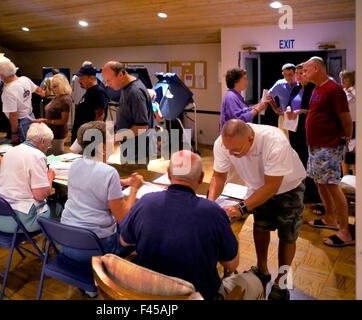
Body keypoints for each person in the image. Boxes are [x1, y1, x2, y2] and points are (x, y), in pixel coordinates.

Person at [120, 150, 265, 300]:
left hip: (148, 294)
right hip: (197, 295)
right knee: (255, 282)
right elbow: (232, 265)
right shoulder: (214, 213)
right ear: (202, 178)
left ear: (169, 174)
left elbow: (125, 241)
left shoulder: (145, 201)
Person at [208, 119, 306, 300]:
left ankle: (282, 281)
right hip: (257, 186)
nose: (230, 153)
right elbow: (218, 177)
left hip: (288, 187)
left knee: (287, 235)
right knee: (260, 227)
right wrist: (209, 205)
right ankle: (262, 270)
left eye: (236, 150)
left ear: (251, 139)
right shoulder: (223, 143)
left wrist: (241, 207)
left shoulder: (274, 140)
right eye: (227, 148)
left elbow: (272, 186)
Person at [60, 121, 143, 265]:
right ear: (103, 147)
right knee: (141, 231)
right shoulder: (109, 173)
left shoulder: (75, 165)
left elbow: (91, 181)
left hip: (67, 241)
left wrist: (120, 182)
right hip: (96, 248)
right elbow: (124, 218)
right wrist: (134, 188)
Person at [303, 57, 354, 248]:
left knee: (332, 185)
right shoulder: (318, 88)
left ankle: (345, 231)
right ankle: (330, 218)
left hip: (328, 146)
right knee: (319, 182)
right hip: (315, 146)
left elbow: (346, 119)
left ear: (316, 68)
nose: (304, 74)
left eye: (307, 70)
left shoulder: (334, 89)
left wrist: (344, 140)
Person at [0, 123, 54, 233]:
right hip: (18, 221)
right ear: (42, 141)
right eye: (48, 144)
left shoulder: (10, 151)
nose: (47, 148)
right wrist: (49, 176)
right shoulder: (38, 156)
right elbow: (40, 195)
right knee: (58, 207)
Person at [102, 61, 155, 165]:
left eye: (109, 81)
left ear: (121, 74)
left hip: (137, 152)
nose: (107, 85)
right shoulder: (126, 88)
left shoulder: (135, 92)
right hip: (130, 148)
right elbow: (128, 115)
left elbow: (142, 127)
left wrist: (114, 138)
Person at [285, 63, 319, 203]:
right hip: (295, 128)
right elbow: (290, 103)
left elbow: (316, 110)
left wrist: (301, 111)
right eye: (297, 74)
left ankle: (311, 193)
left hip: (307, 128)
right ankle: (298, 188)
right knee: (296, 158)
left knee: (307, 159)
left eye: (301, 73)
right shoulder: (296, 88)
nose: (298, 76)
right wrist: (288, 109)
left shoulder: (314, 89)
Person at [0, 60, 45, 144]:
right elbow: (39, 91)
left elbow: (13, 114)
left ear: (3, 76)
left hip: (21, 122)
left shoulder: (9, 90)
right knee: (33, 143)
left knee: (25, 146)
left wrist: (14, 133)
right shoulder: (24, 79)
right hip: (31, 116)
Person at [34, 74, 72, 155]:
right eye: (52, 86)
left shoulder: (65, 99)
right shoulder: (57, 96)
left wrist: (46, 121)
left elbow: (63, 121)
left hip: (58, 134)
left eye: (55, 86)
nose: (52, 88)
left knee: (56, 156)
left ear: (62, 86)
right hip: (52, 132)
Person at [70, 64, 108, 144]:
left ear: (92, 78)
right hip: (81, 136)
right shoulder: (88, 92)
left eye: (82, 78)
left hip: (88, 139)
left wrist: (92, 137)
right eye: (79, 78)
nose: (79, 81)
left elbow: (100, 116)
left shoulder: (98, 92)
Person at [267, 63, 297, 135]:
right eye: (285, 75)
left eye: (290, 74)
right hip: (284, 116)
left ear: (295, 73)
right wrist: (275, 109)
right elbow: (268, 96)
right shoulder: (279, 84)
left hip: (298, 116)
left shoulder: (301, 83)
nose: (288, 77)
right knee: (284, 141)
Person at [339, 70, 356, 175]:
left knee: (354, 153)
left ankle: (356, 179)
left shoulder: (356, 91)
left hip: (355, 124)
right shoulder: (340, 92)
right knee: (343, 152)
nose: (343, 80)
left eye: (345, 78)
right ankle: (345, 179)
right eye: (341, 78)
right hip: (342, 125)